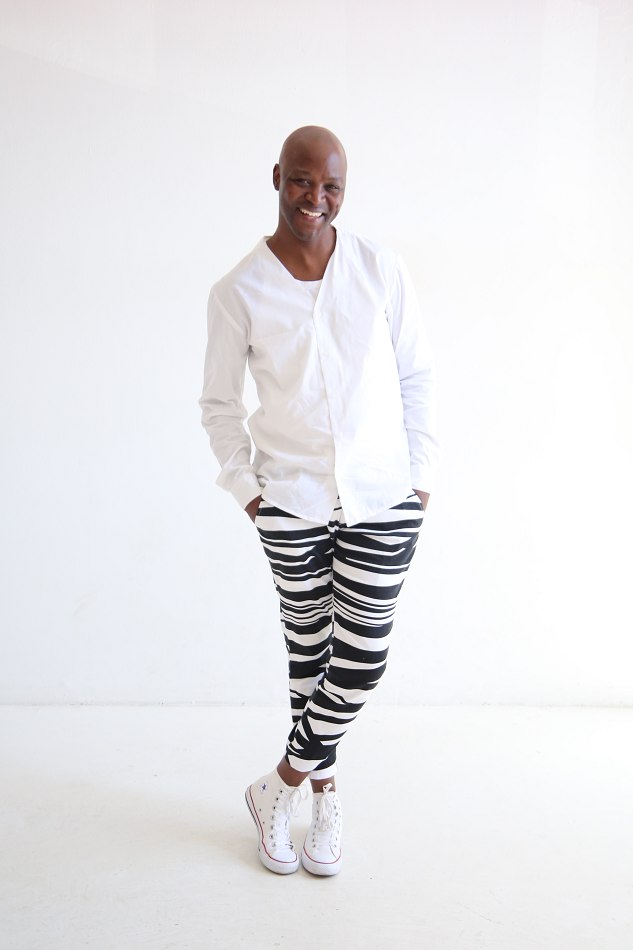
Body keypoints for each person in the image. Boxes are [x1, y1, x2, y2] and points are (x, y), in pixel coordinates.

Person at [199, 125, 438, 876]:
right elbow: (218, 405)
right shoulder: (238, 291)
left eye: (331, 186)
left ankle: (278, 784)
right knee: (309, 654)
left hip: (382, 495)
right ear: (277, 177)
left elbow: (416, 375)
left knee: (360, 658)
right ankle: (324, 796)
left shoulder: (379, 268)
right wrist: (249, 494)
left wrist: (420, 478)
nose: (316, 198)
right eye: (303, 180)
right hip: (290, 501)